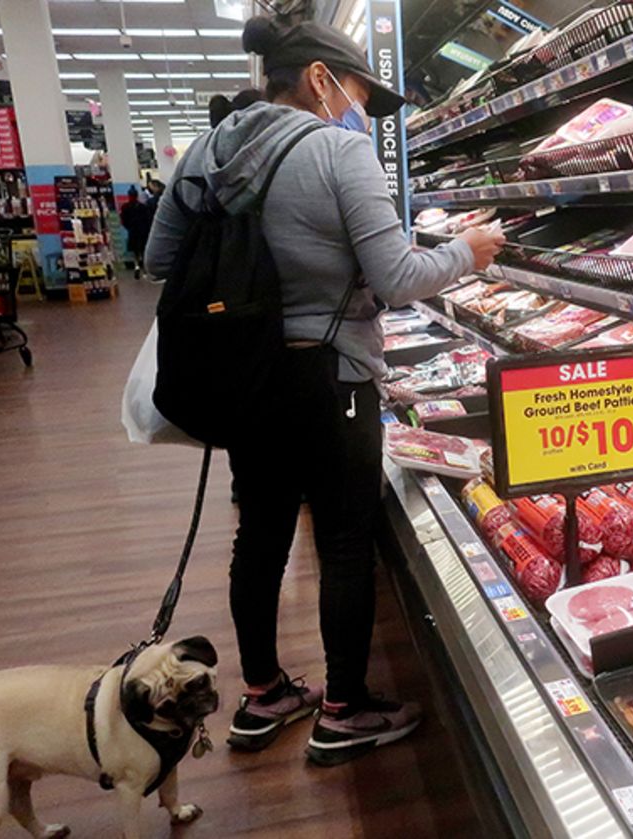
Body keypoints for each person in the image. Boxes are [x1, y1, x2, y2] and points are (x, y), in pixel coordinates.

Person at [144, 15, 504, 765]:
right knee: (344, 542)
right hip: (330, 372)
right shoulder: (340, 151)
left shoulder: (208, 148)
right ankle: (344, 709)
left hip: (243, 378)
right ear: (318, 78)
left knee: (261, 533)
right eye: (357, 95)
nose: (357, 112)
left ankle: (264, 692)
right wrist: (465, 251)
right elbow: (398, 280)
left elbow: (158, 259)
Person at [118, 185, 152, 279]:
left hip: (132, 231)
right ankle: (145, 269)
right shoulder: (143, 207)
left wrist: (129, 227)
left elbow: (123, 220)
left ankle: (136, 266)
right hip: (142, 231)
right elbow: (148, 220)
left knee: (135, 251)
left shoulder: (125, 207)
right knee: (143, 250)